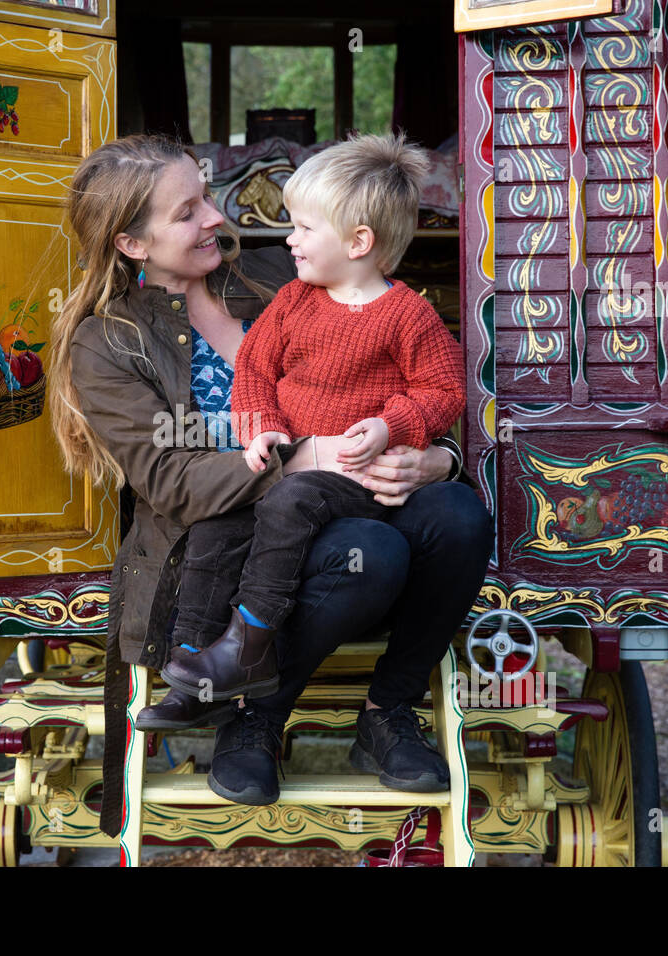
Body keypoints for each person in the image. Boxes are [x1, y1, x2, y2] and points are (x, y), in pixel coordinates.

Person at [48, 134, 493, 832]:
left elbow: (416, 381)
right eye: (188, 210)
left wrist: (435, 459)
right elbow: (170, 480)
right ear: (133, 243)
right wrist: (303, 456)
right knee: (368, 554)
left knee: (459, 516)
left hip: (357, 489)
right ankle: (256, 716)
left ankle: (387, 711)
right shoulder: (108, 341)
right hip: (240, 537)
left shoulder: (269, 276)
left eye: (205, 198)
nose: (217, 219)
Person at [160, 134, 467, 727]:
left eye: (302, 228)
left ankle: (250, 643)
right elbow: (254, 369)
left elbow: (444, 392)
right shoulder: (296, 300)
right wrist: (263, 430)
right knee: (213, 532)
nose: (289, 240)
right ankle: (190, 668)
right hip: (288, 465)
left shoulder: (409, 316)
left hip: (354, 478)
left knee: (294, 498)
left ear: (359, 243)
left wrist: (388, 424)